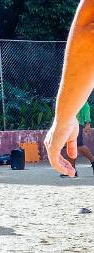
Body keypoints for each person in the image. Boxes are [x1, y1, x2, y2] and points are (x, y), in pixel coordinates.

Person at [44, 0, 94, 177]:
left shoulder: (83, 103)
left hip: (75, 121)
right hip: (74, 121)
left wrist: (63, 119)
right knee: (74, 147)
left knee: (77, 147)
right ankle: (72, 170)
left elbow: (89, 30)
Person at [60, 101, 94, 178]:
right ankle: (72, 171)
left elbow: (86, 107)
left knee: (79, 145)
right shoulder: (67, 95)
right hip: (68, 123)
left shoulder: (78, 93)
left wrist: (87, 123)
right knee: (70, 146)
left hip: (77, 123)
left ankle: (93, 161)